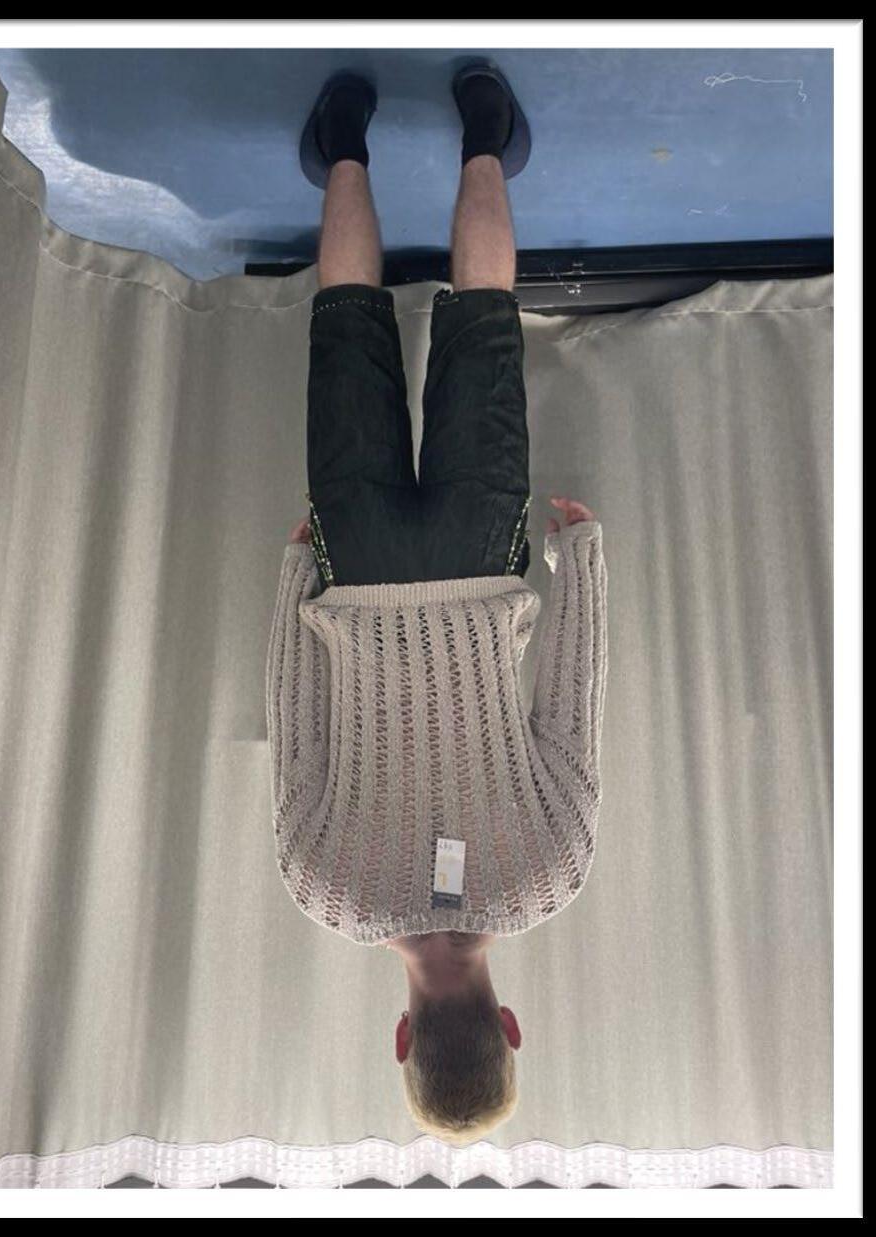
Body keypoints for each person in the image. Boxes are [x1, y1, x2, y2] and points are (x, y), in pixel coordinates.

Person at [266, 61, 609, 1145]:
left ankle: (483, 128)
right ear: (404, 1037)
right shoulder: (324, 887)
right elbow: (295, 713)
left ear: (508, 1025)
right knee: (349, 333)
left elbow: (570, 700)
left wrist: (580, 559)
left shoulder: (552, 872)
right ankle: (346, 135)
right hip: (361, 570)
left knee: (484, 329)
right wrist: (297, 578)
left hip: (480, 561)